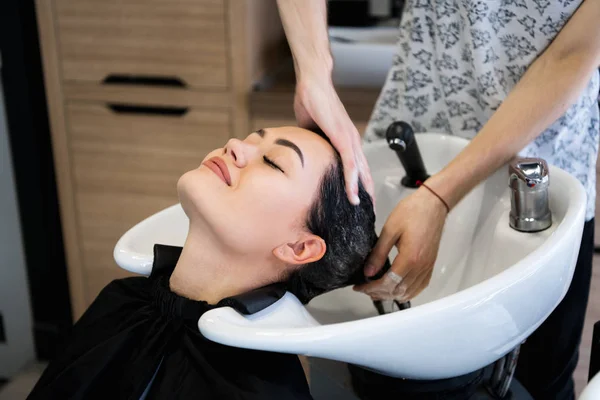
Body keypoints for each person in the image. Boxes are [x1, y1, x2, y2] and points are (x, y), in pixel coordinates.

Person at [276, 0, 600, 398]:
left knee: (540, 380)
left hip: (536, 171)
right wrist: (313, 74)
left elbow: (570, 55)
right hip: (417, 127)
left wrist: (440, 198)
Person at [27, 126, 377, 400]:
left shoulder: (258, 386)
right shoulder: (122, 301)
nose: (234, 146)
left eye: (272, 162)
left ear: (299, 247)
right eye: (250, 139)